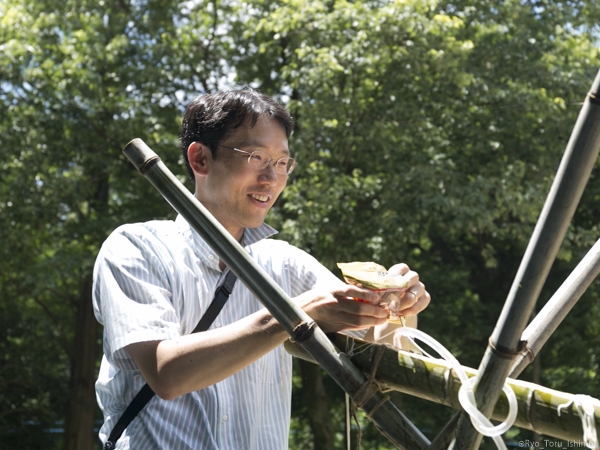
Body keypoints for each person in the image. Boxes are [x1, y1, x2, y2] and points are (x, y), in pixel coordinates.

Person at [93, 88, 431, 449]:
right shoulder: (136, 248)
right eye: (256, 157)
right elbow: (167, 374)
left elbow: (384, 346)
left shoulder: (284, 262)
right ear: (201, 159)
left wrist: (397, 305)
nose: (272, 178)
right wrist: (292, 316)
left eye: (283, 163)